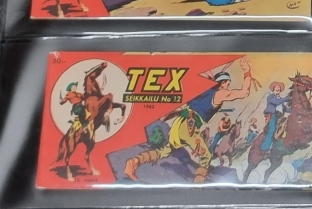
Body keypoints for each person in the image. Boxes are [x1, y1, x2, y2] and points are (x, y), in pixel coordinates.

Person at [124, 57, 256, 183]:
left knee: (165, 150)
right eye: (227, 83)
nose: (229, 86)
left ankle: (134, 162)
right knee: (206, 156)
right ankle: (198, 186)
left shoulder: (204, 90)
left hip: (180, 123)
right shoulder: (220, 93)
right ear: (222, 83)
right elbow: (244, 92)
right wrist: (247, 71)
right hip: (189, 126)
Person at [261, 81, 292, 152]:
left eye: (279, 88)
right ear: (273, 89)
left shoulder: (280, 100)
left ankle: (280, 145)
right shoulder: (271, 97)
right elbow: (276, 102)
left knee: (285, 129)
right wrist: (286, 98)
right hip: (273, 115)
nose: (278, 89)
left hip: (280, 116)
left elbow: (286, 109)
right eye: (276, 87)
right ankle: (265, 146)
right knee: (272, 129)